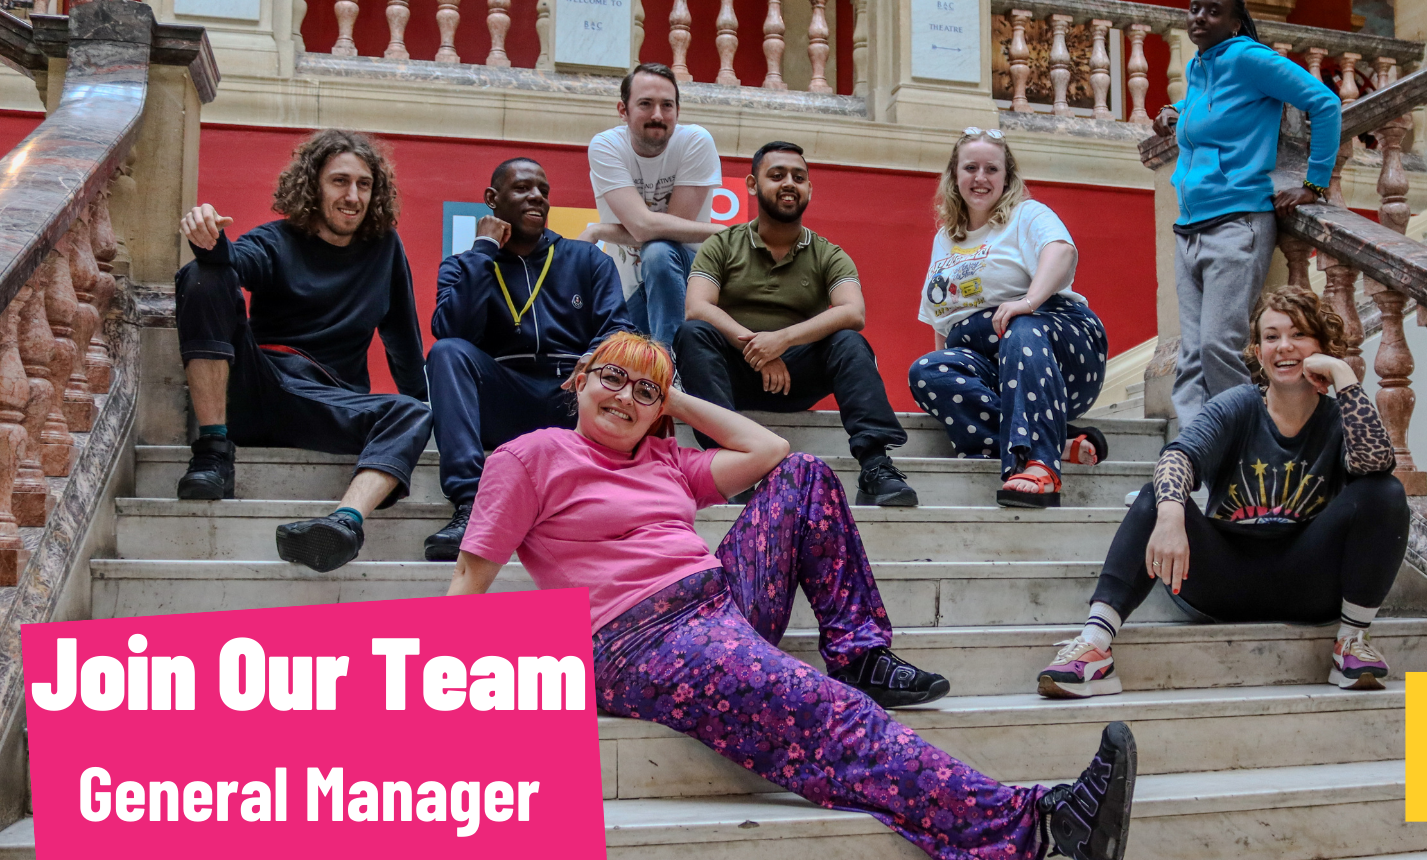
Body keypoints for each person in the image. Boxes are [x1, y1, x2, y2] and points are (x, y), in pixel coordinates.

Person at [446, 330, 1138, 860]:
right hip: (641, 640)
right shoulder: (530, 457)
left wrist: (673, 394)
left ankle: (860, 651)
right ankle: (1040, 828)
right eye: (612, 379)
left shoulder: (661, 457)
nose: (625, 397)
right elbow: (469, 581)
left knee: (805, 471)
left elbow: (769, 449)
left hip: (718, 603)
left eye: (643, 391)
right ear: (578, 380)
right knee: (833, 717)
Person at [1040, 287, 1409, 699]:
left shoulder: (1341, 415)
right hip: (1224, 579)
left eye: (1299, 335)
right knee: (1154, 496)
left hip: (1309, 581)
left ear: (1323, 346)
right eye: (1271, 337)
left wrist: (1344, 377)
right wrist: (1170, 516)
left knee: (1386, 492)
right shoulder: (1237, 406)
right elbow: (1177, 456)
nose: (1284, 347)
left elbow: (1375, 466)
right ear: (1258, 349)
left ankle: (1351, 643)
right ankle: (1094, 646)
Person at [174, 129, 431, 572]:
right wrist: (211, 243)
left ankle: (344, 525)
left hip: (326, 403)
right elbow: (237, 261)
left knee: (415, 410)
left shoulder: (384, 248)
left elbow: (404, 342)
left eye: (364, 185)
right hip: (261, 387)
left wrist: (425, 417)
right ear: (313, 184)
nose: (353, 196)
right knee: (202, 275)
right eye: (340, 181)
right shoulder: (277, 239)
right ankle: (213, 453)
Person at [676, 141, 917, 507]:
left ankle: (875, 466)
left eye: (798, 177)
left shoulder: (828, 253)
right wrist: (757, 348)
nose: (789, 183)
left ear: (809, 190)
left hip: (797, 376)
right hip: (733, 375)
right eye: (776, 175)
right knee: (693, 334)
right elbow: (697, 307)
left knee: (850, 341)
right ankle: (730, 466)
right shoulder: (722, 244)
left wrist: (783, 341)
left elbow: (853, 311)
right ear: (752, 185)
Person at [1151, 0, 1342, 430]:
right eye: (1195, 8)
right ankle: (1195, 457)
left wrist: (1314, 184)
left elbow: (1325, 103)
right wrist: (1174, 110)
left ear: (1236, 22)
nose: (1199, 17)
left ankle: (1247, 442)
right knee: (1193, 353)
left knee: (1219, 345)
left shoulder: (1248, 57)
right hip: (1190, 228)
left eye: (1213, 11)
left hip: (1238, 223)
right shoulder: (1201, 65)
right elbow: (1213, 104)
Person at [424, 157, 632, 560]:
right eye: (522, 189)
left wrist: (591, 358)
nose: (537, 196)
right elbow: (452, 331)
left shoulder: (588, 260)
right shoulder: (464, 266)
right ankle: (471, 505)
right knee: (447, 352)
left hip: (571, 395)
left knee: (622, 358)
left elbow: (617, 328)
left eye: (543, 190)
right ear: (491, 199)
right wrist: (483, 250)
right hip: (505, 393)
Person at [909, 129, 1110, 509]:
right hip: (995, 368)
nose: (980, 178)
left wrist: (1028, 302)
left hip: (1058, 343)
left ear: (1007, 177)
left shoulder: (1026, 215)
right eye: (970, 167)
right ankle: (1058, 441)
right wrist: (947, 372)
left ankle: (1040, 467)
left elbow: (1061, 251)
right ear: (954, 176)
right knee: (925, 371)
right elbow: (942, 323)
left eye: (991, 169)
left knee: (1021, 328)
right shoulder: (945, 238)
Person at [578, 62, 725, 352]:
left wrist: (600, 231)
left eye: (667, 105)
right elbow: (646, 227)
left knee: (658, 252)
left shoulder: (695, 141)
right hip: (629, 295)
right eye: (645, 104)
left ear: (678, 111)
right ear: (623, 110)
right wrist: (722, 231)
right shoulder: (606, 146)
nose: (657, 115)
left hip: (688, 281)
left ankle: (670, 368)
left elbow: (665, 239)